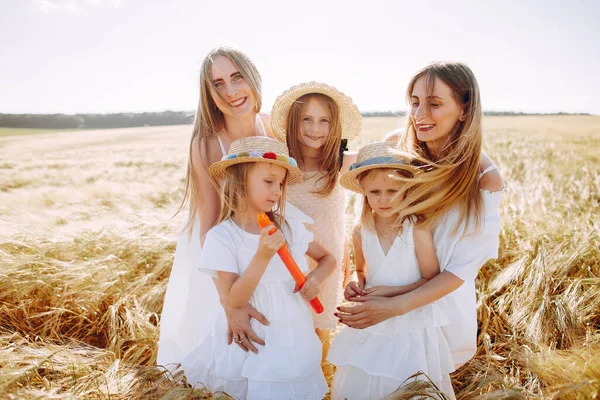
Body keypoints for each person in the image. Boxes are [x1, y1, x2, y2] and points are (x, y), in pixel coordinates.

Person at [336, 61, 505, 370]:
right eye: (414, 102)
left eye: (434, 103)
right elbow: (351, 172)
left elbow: (459, 270)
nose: (419, 114)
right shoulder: (398, 148)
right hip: (380, 302)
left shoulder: (483, 180)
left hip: (435, 311)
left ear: (465, 110)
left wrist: (395, 307)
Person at [180, 136, 334, 400]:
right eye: (268, 182)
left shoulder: (288, 227)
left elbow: (328, 259)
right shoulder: (223, 237)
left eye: (281, 184)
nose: (277, 191)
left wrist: (315, 279)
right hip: (253, 338)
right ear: (239, 182)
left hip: (291, 330)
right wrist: (262, 256)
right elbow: (234, 299)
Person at [158, 46, 275, 371]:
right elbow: (209, 224)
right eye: (218, 83)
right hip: (220, 252)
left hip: (265, 243)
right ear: (208, 94)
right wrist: (229, 303)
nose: (231, 90)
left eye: (237, 77)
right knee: (228, 349)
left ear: (253, 78)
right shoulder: (207, 144)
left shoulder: (272, 127)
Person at [327, 142, 456, 399]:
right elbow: (361, 270)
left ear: (406, 189)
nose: (384, 199)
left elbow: (431, 279)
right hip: (372, 322)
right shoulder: (360, 230)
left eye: (393, 190)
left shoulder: (416, 229)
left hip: (410, 321)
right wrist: (355, 283)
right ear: (364, 192)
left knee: (408, 384)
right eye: (375, 192)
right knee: (365, 380)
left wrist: (392, 292)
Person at [270, 82, 362, 355]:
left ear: (335, 127)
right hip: (287, 258)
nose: (315, 128)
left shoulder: (341, 163)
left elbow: (392, 158)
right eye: (306, 120)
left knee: (318, 331)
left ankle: (317, 385)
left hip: (328, 261)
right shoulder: (282, 163)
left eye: (324, 121)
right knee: (286, 328)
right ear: (293, 123)